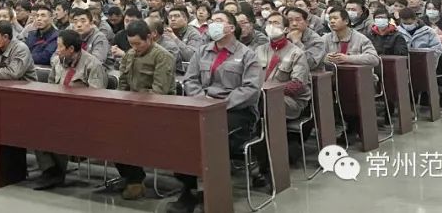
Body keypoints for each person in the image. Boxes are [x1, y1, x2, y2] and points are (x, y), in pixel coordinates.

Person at [172, 12, 264, 213]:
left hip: (236, 111)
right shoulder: (202, 52)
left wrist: (220, 105)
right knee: (181, 136)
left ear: (231, 27)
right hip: (203, 106)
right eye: (212, 21)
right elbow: (190, 79)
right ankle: (189, 189)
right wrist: (202, 100)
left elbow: (250, 89)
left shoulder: (247, 55)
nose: (214, 24)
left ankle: (209, 194)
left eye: (219, 21)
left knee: (210, 139)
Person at [33, 29, 108, 190]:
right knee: (36, 122)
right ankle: (50, 169)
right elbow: (51, 85)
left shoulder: (92, 65)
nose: (57, 50)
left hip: (82, 113)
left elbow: (97, 98)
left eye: (60, 46)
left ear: (71, 49)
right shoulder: (57, 61)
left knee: (58, 127)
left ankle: (56, 173)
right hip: (58, 109)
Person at [114, 20, 176, 200]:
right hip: (133, 108)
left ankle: (135, 179)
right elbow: (122, 84)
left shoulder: (162, 56)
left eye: (138, 44)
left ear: (149, 38)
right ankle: (129, 175)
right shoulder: (130, 55)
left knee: (127, 134)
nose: (134, 48)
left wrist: (134, 101)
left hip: (158, 110)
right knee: (109, 130)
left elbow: (159, 92)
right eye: (131, 44)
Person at [255, 12, 311, 119]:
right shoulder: (259, 50)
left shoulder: (296, 53)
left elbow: (297, 84)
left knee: (262, 100)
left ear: (286, 29)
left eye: (276, 23)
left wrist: (270, 91)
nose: (271, 26)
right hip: (261, 95)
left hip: (289, 99)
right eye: (269, 23)